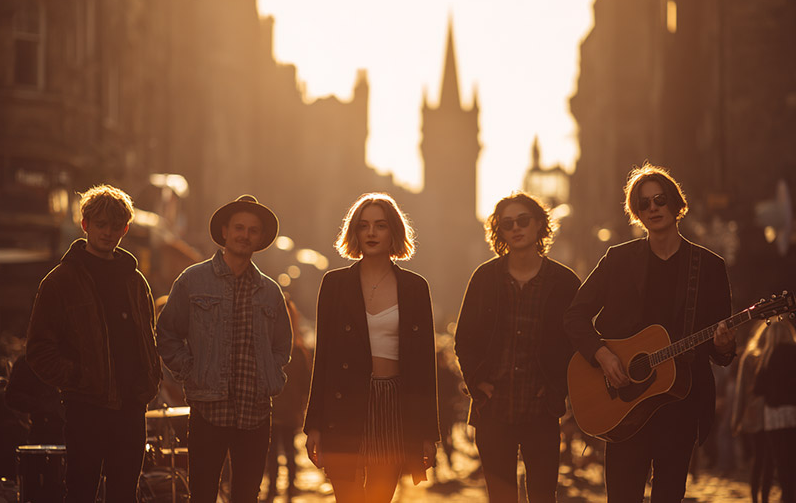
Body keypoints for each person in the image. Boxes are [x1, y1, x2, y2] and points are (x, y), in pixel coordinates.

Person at [564, 163, 736, 502]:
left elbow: (720, 352)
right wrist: (602, 354)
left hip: (681, 405)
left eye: (660, 199)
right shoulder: (617, 260)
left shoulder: (709, 267)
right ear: (637, 213)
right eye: (644, 204)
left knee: (669, 496)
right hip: (624, 405)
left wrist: (724, 345)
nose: (653, 207)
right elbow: (575, 316)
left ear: (676, 205)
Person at [25, 184, 162, 501]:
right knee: (81, 492)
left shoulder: (135, 280)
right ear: (85, 224)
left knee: (125, 494)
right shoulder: (60, 281)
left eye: (116, 227)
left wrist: (150, 380)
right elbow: (38, 350)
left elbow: (147, 337)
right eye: (101, 225)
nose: (108, 233)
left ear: (125, 229)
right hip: (86, 410)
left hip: (131, 408)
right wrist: (79, 379)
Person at [304, 192, 440, 503]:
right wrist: (315, 424)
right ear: (354, 232)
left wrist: (427, 433)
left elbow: (423, 366)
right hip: (344, 402)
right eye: (363, 225)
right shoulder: (334, 284)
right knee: (347, 497)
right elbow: (322, 358)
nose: (371, 233)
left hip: (394, 404)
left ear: (394, 231)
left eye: (380, 226)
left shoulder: (416, 288)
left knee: (379, 498)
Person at [156, 195, 292, 503]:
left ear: (260, 238)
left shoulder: (270, 292)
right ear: (225, 231)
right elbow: (166, 334)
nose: (245, 235)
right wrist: (190, 371)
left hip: (255, 414)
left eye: (253, 230)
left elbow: (282, 347)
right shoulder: (193, 280)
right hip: (208, 411)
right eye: (239, 228)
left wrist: (271, 378)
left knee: (246, 496)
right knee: (202, 495)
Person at [454, 192, 581, 502]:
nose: (516, 228)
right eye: (507, 223)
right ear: (500, 232)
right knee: (501, 497)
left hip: (542, 410)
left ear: (539, 225)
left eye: (523, 220)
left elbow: (578, 343)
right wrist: (477, 384)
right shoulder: (485, 278)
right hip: (493, 408)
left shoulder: (564, 282)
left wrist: (557, 388)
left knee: (542, 495)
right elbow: (464, 339)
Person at [262, 295, 312, 502]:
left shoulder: (292, 350)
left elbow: (305, 384)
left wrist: (302, 407)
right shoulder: (296, 350)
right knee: (280, 451)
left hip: (282, 409)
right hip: (279, 409)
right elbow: (306, 384)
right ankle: (283, 488)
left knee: (281, 451)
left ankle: (281, 489)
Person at [753, 315, 796, 503]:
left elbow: (758, 389)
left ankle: (786, 496)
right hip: (794, 412)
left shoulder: (768, 356)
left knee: (781, 463)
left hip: (775, 416)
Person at [731, 322, 773, 503]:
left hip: (754, 414)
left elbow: (741, 391)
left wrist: (737, 419)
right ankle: (764, 497)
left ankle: (756, 497)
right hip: (772, 413)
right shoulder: (773, 356)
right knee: (769, 459)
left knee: (758, 458)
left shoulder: (749, 357)